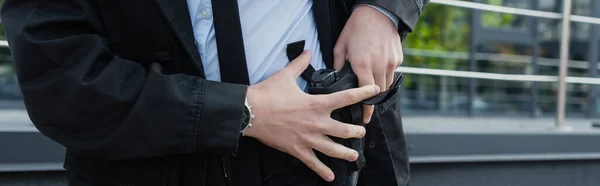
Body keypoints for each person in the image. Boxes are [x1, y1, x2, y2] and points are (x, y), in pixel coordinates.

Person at [1, 0, 427, 185]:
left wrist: (383, 11)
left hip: (329, 158)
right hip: (153, 168)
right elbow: (61, 82)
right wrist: (242, 111)